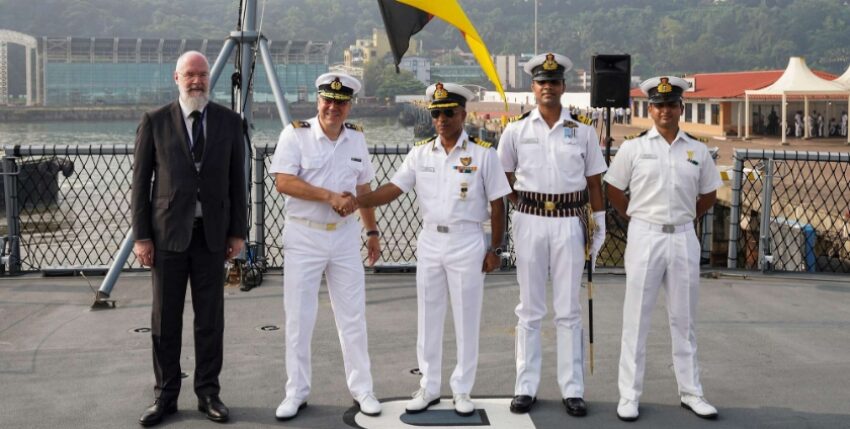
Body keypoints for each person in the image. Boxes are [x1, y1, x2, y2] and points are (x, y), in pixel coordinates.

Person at [357, 82, 511, 416]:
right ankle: (428, 386)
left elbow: (499, 205)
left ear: (462, 115)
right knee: (429, 316)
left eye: (448, 113)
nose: (441, 119)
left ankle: (462, 390)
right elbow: (392, 190)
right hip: (430, 241)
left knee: (467, 318)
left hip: (467, 240)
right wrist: (358, 201)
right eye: (436, 113)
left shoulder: (484, 153)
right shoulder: (420, 153)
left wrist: (495, 249)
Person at [131, 50, 247, 426]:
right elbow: (140, 185)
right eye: (190, 75)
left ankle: (208, 393)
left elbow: (236, 182)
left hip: (212, 236)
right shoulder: (155, 122)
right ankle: (165, 396)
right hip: (167, 237)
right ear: (176, 78)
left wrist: (238, 232)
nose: (197, 81)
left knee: (210, 320)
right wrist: (142, 238)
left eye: (202, 74)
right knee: (165, 321)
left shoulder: (230, 122)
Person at [604, 76, 722, 422]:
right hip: (645, 236)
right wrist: (634, 217)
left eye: (671, 105)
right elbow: (613, 187)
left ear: (681, 108)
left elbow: (710, 194)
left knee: (684, 320)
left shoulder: (697, 150)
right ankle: (629, 395)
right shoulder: (634, 148)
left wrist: (687, 217)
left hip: (683, 236)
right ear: (650, 109)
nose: (665, 111)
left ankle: (691, 392)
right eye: (659, 105)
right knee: (636, 319)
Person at [496, 52, 607, 417]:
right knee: (529, 308)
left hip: (569, 220)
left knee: (568, 309)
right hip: (529, 219)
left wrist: (600, 221)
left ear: (564, 87)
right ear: (533, 87)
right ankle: (524, 386)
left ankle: (572, 388)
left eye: (554, 82)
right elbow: (502, 180)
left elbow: (594, 182)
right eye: (542, 82)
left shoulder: (583, 130)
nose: (548, 87)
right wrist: (520, 206)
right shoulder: (515, 130)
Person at [269, 72, 382, 421]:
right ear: (318, 101)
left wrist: (372, 231)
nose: (333, 107)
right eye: (328, 100)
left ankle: (363, 389)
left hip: (345, 237)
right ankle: (296, 392)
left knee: (352, 316)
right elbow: (283, 181)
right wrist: (328, 196)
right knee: (300, 317)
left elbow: (363, 190)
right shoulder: (296, 135)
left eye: (341, 102)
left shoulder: (356, 140)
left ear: (349, 106)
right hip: (305, 236)